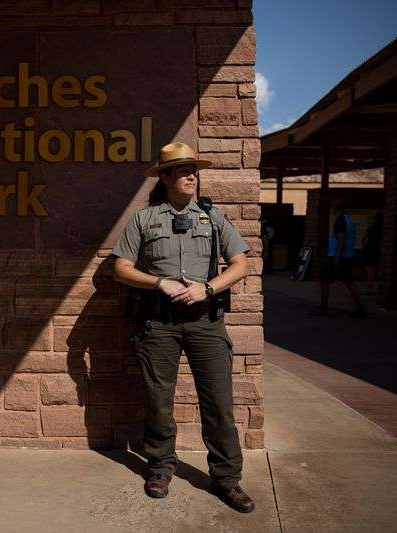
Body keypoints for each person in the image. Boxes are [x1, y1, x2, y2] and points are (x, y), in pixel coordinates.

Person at [110, 142, 254, 513]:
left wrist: (207, 287)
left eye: (194, 169)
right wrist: (160, 283)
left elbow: (241, 264)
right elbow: (120, 268)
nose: (191, 175)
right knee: (159, 400)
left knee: (219, 402)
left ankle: (227, 479)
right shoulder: (144, 219)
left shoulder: (211, 217)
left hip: (206, 322)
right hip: (158, 323)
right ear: (165, 177)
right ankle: (160, 468)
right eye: (183, 170)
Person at [309, 198, 367, 318]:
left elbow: (341, 238)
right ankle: (361, 307)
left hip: (336, 256)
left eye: (333, 207)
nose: (332, 209)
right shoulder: (350, 219)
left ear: (336, 208)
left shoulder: (340, 220)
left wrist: (337, 256)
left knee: (324, 279)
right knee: (349, 281)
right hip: (347, 255)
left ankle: (323, 307)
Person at [361, 212, 383, 296]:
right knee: (376, 272)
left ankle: (368, 289)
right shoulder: (382, 229)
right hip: (377, 252)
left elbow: (365, 240)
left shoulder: (371, 228)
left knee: (370, 273)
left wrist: (364, 247)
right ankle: (376, 288)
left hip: (369, 252)